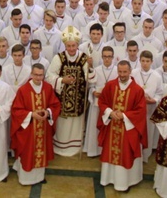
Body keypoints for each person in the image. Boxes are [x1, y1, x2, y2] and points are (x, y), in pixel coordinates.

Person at [97, 60, 147, 192]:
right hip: (112, 126)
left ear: (130, 71)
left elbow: (140, 111)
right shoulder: (110, 85)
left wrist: (124, 116)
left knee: (126, 153)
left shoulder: (137, 90)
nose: (122, 74)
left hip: (128, 129)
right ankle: (107, 179)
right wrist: (110, 112)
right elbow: (102, 101)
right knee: (110, 151)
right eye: (120, 71)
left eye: (125, 72)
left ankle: (125, 182)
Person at [10, 64, 62, 186]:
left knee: (41, 152)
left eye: (41, 75)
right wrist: (31, 114)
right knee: (28, 152)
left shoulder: (48, 88)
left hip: (43, 128)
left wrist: (47, 112)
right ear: (31, 75)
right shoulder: (23, 90)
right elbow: (16, 110)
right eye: (36, 75)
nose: (38, 78)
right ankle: (25, 178)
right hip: (28, 129)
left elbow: (55, 105)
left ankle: (39, 177)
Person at [47, 26, 94, 156]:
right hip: (62, 99)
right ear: (65, 45)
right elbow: (49, 76)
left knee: (75, 125)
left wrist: (90, 67)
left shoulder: (84, 58)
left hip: (78, 100)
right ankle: (60, 145)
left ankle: (75, 146)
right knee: (63, 125)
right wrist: (62, 80)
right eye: (69, 46)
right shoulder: (59, 58)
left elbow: (90, 79)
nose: (71, 48)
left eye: (74, 45)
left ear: (77, 45)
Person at [85, 46, 118, 157]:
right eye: (105, 57)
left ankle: (106, 150)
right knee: (95, 127)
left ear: (113, 57)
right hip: (97, 104)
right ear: (102, 57)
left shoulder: (117, 71)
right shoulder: (96, 70)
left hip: (110, 106)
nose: (107, 59)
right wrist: (93, 92)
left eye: (109, 57)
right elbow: (91, 86)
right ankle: (94, 150)